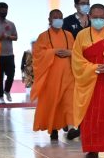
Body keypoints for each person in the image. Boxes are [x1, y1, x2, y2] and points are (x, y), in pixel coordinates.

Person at [71, 4, 104, 158]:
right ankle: (92, 148)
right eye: (95, 17)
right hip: (90, 81)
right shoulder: (82, 35)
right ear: (89, 17)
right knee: (91, 114)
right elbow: (77, 60)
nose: (99, 20)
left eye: (102, 18)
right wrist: (94, 67)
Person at [31, 9, 75, 142]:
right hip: (51, 76)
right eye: (55, 17)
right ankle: (54, 129)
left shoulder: (68, 35)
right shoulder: (43, 36)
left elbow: (76, 51)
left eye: (60, 17)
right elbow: (38, 54)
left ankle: (71, 127)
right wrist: (53, 52)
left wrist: (70, 53)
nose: (58, 20)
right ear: (49, 20)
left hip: (68, 73)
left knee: (69, 101)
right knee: (54, 102)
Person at [0, 1, 18, 103]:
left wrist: (9, 37)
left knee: (11, 74)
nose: (4, 13)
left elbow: (16, 37)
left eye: (6, 11)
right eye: (2, 11)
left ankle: (7, 91)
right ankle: (0, 96)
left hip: (9, 54)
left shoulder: (10, 23)